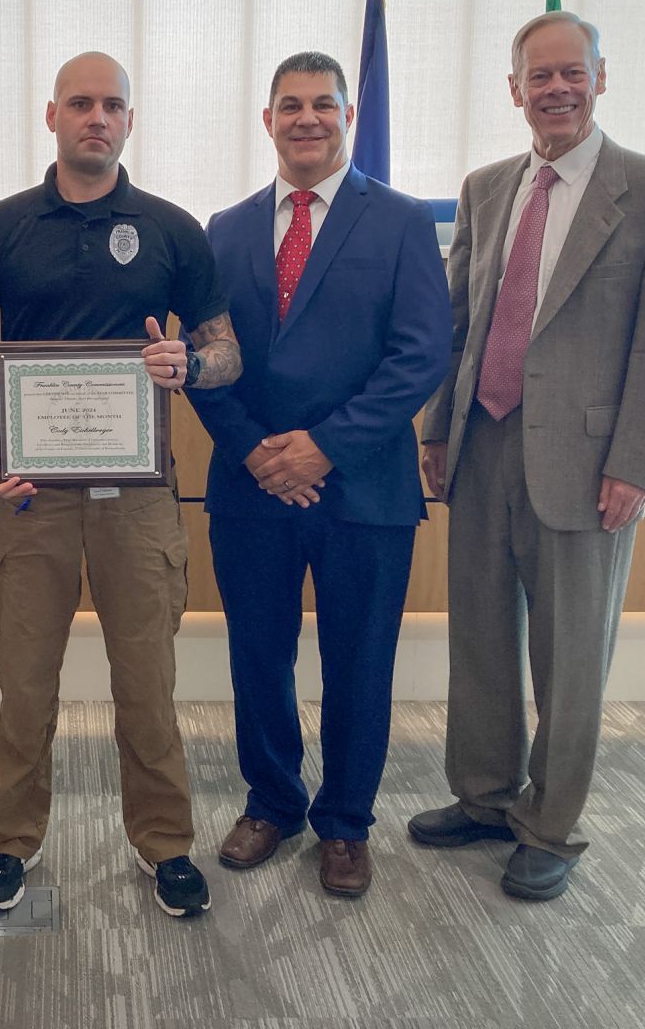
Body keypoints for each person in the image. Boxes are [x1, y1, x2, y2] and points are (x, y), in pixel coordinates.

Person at [0, 52, 241, 919]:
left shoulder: (173, 230)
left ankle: (165, 844)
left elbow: (226, 351)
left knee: (148, 684)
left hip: (139, 502)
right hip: (32, 498)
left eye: (113, 105)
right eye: (80, 103)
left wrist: (189, 365)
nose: (96, 117)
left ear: (130, 122)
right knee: (26, 685)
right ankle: (10, 843)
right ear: (51, 115)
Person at [409, 11, 645, 900]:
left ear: (600, 78)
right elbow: (456, 322)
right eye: (538, 78)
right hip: (483, 441)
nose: (556, 91)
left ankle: (552, 823)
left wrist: (638, 464)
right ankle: (487, 795)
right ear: (515, 91)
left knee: (571, 653)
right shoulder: (486, 187)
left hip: (589, 465)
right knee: (482, 636)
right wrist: (434, 430)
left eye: (571, 73)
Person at [186, 51, 451, 897]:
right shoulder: (221, 230)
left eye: (323, 105)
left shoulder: (402, 222)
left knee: (359, 661)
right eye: (289, 105)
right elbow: (205, 358)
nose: (307, 118)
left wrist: (324, 447)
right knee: (258, 658)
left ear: (347, 118)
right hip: (251, 485)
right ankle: (272, 801)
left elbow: (421, 357)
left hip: (364, 488)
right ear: (267, 121)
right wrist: (256, 452)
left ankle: (345, 822)